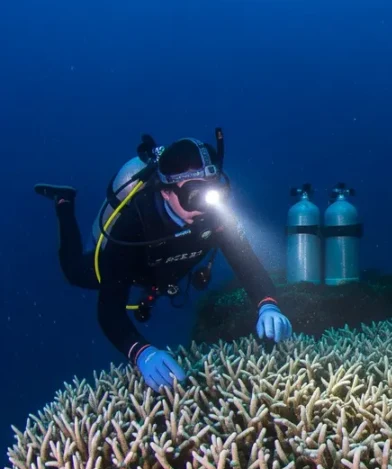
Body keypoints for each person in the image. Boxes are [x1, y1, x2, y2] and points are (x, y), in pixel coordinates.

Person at [34, 134, 293, 391]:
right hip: (131, 265)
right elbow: (109, 311)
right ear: (167, 192)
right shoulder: (133, 224)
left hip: (166, 273)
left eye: (213, 191)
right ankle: (64, 203)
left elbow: (246, 263)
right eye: (194, 194)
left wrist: (268, 305)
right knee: (74, 273)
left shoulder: (217, 217)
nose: (205, 205)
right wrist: (142, 353)